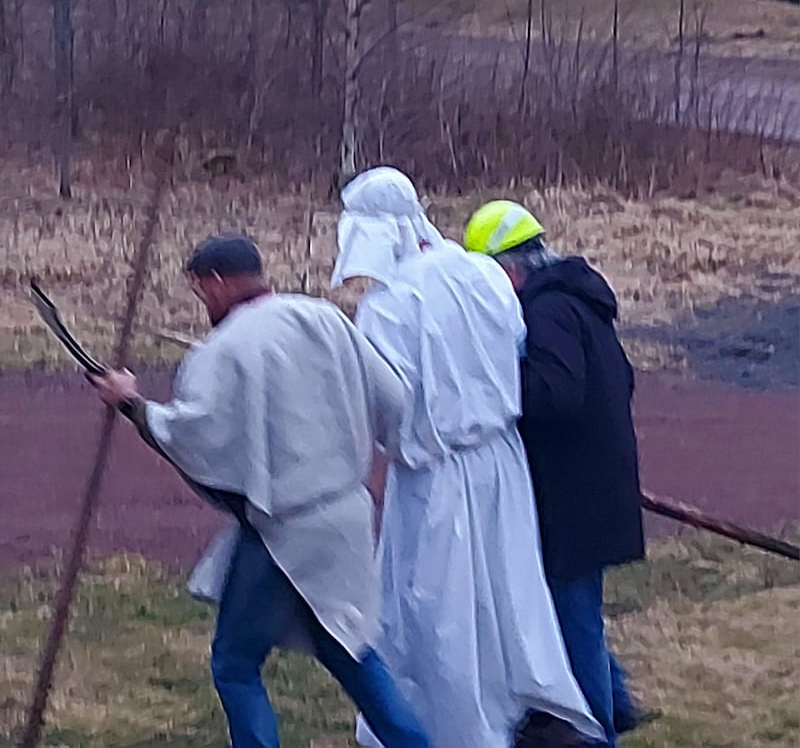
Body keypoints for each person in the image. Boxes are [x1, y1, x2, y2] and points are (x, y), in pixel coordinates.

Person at [88, 234, 431, 748]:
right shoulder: (326, 318)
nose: (203, 302)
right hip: (349, 517)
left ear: (219, 282)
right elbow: (393, 401)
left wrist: (133, 403)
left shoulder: (227, 349)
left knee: (235, 662)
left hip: (286, 530)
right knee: (350, 652)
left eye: (202, 290)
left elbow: (191, 435)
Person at [331, 167, 605, 748]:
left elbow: (385, 402)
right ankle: (518, 711)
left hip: (435, 477)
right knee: (507, 594)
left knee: (442, 608)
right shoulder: (482, 273)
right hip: (501, 467)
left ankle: (461, 728)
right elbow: (513, 346)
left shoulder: (388, 308)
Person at [464, 200, 649, 748]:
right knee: (570, 607)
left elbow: (554, 393)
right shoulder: (578, 303)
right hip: (592, 487)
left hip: (573, 497)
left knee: (573, 617)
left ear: (508, 268)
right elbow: (621, 381)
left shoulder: (548, 313)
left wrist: (492, 384)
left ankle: (597, 732)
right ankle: (614, 703)